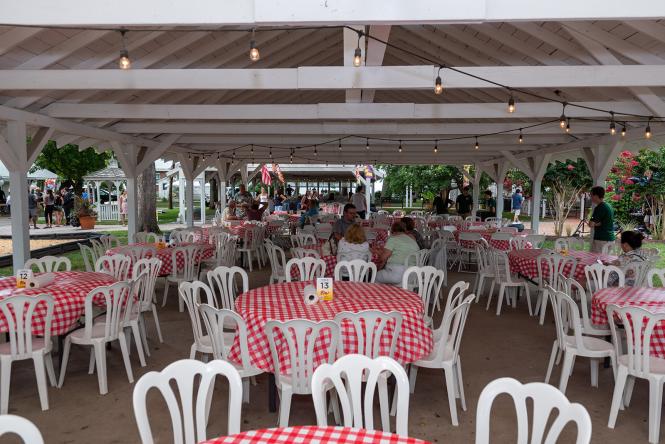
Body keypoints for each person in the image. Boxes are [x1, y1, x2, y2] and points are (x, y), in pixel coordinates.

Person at [588, 186, 616, 253]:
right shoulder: (609, 206)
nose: (590, 197)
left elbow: (591, 224)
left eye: (591, 195)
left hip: (601, 240)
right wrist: (599, 223)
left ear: (596, 196)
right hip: (611, 239)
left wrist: (596, 224)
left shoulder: (599, 207)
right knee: (606, 261)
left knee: (596, 261)